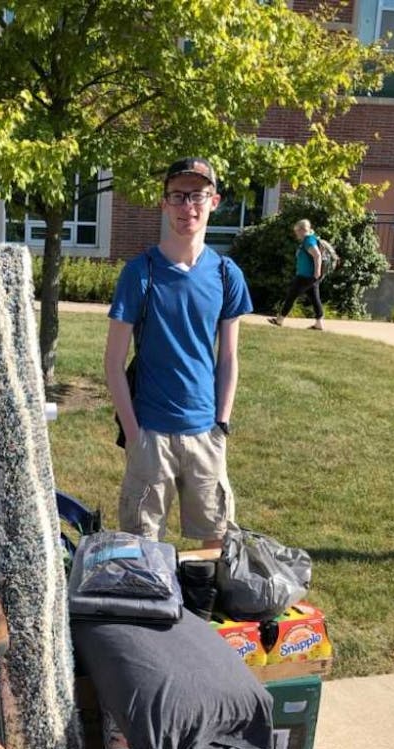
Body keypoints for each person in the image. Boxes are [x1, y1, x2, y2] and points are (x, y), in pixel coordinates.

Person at [104, 157, 253, 549]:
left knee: (216, 545)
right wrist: (133, 434)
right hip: (150, 434)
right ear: (164, 203)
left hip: (205, 433)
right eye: (178, 196)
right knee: (141, 549)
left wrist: (221, 423)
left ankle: (201, 610)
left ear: (214, 201)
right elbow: (113, 364)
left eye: (198, 196)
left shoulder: (225, 274)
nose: (188, 207)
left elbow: (229, 358)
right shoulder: (141, 273)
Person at [268, 219, 324, 330]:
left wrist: (317, 271)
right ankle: (319, 323)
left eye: (297, 230)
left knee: (291, 295)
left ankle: (280, 319)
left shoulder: (308, 240)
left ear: (303, 230)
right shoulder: (309, 240)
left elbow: (317, 255)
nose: (296, 233)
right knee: (314, 298)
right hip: (310, 276)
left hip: (306, 276)